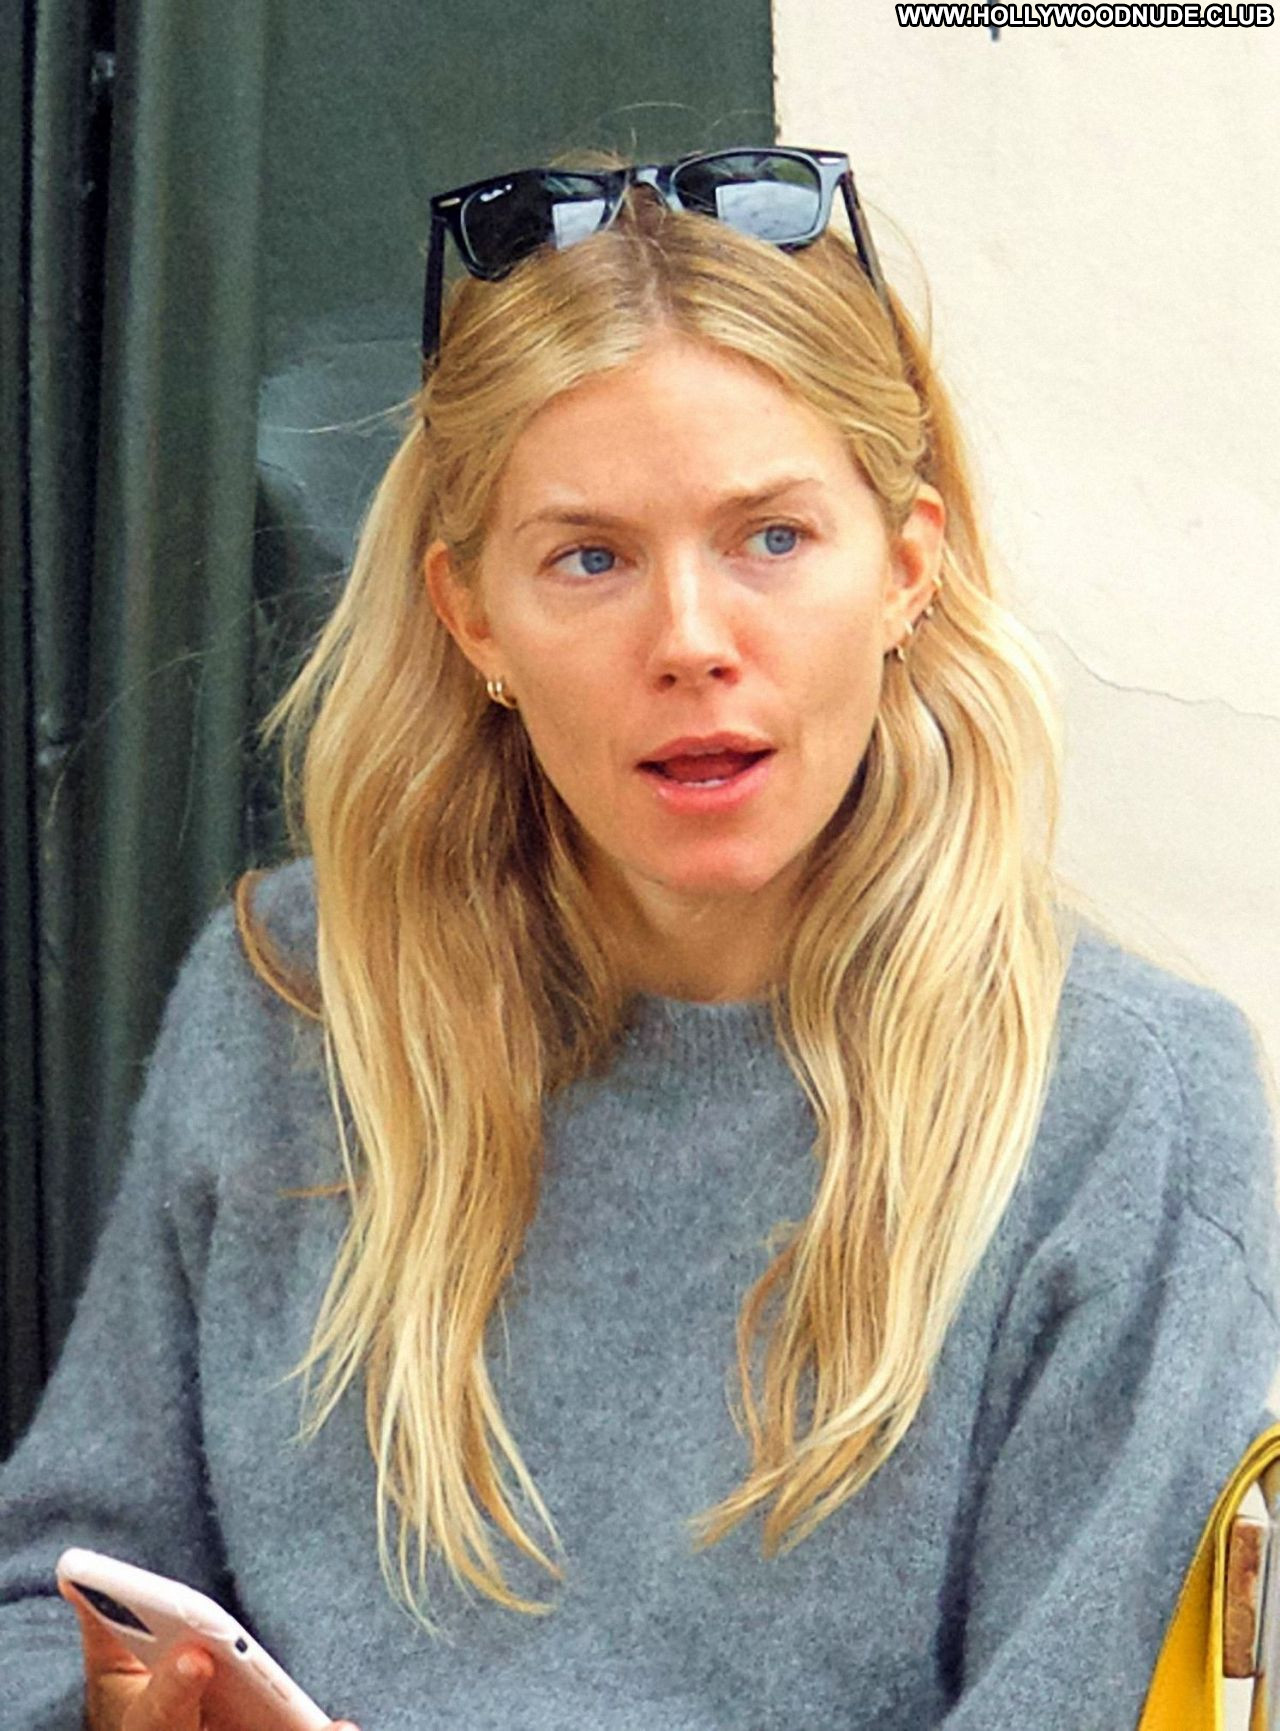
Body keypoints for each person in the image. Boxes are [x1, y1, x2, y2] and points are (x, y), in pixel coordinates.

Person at [1, 144, 1277, 1731]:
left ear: (909, 568)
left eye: (772, 538)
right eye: (590, 558)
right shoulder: (294, 1007)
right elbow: (50, 1600)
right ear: (473, 617)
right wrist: (123, 1708)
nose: (690, 640)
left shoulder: (1126, 1111)